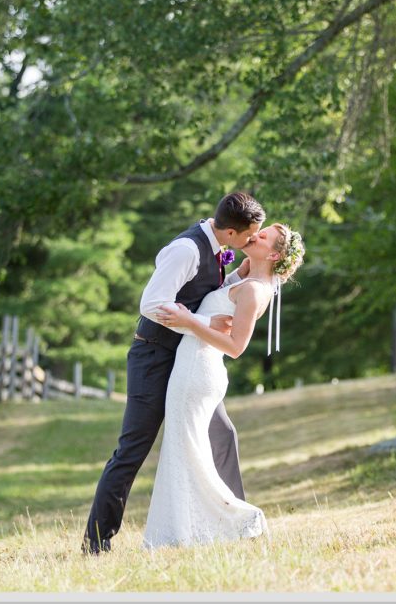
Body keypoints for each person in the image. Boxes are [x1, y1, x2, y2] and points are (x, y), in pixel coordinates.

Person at [82, 192, 265, 555]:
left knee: (222, 435)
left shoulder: (219, 248)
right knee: (133, 448)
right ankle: (98, 541)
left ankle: (235, 524)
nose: (252, 242)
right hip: (154, 357)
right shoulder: (187, 249)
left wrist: (233, 280)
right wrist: (200, 322)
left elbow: (201, 294)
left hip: (188, 359)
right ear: (230, 233)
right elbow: (150, 304)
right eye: (248, 236)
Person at [142, 222, 305, 549]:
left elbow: (235, 346)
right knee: (185, 451)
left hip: (197, 371)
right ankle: (181, 532)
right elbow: (219, 306)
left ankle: (242, 519)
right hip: (194, 368)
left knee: (187, 451)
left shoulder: (254, 289)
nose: (253, 234)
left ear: (273, 253)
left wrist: (188, 321)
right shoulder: (249, 281)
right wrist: (236, 274)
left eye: (263, 236)